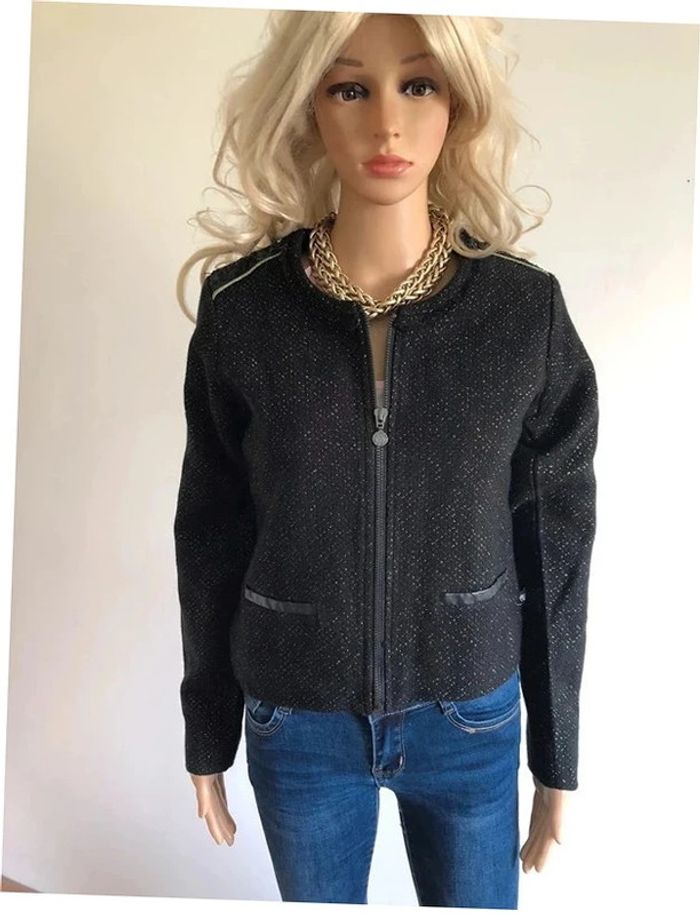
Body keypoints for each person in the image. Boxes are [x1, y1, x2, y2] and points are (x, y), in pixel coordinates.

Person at [173, 10, 599, 909]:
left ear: (458, 104)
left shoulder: (522, 314)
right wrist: (207, 730)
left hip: (470, 713)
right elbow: (210, 530)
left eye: (418, 83)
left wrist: (555, 752)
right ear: (309, 106)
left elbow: (557, 541)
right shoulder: (244, 312)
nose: (388, 124)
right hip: (297, 715)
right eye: (349, 88)